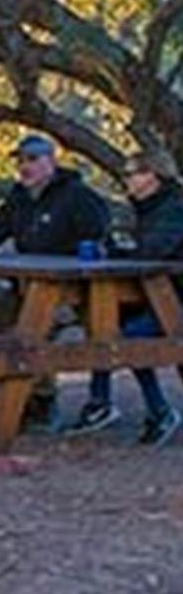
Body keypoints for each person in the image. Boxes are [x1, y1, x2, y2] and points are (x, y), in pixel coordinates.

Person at [0, 133, 112, 430]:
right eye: (21, 161)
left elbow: (100, 237)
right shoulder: (19, 197)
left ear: (51, 161)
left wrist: (84, 256)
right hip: (22, 290)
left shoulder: (78, 196)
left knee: (29, 331)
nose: (25, 167)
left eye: (33, 160)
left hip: (68, 296)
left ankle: (40, 404)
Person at [67, 155, 183, 444]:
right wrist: (116, 252)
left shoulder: (173, 208)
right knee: (103, 323)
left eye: (134, 173)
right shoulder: (151, 208)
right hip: (158, 298)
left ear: (153, 177)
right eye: (127, 173)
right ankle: (102, 401)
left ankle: (155, 410)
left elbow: (154, 251)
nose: (127, 180)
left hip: (175, 301)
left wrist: (119, 254)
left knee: (125, 339)